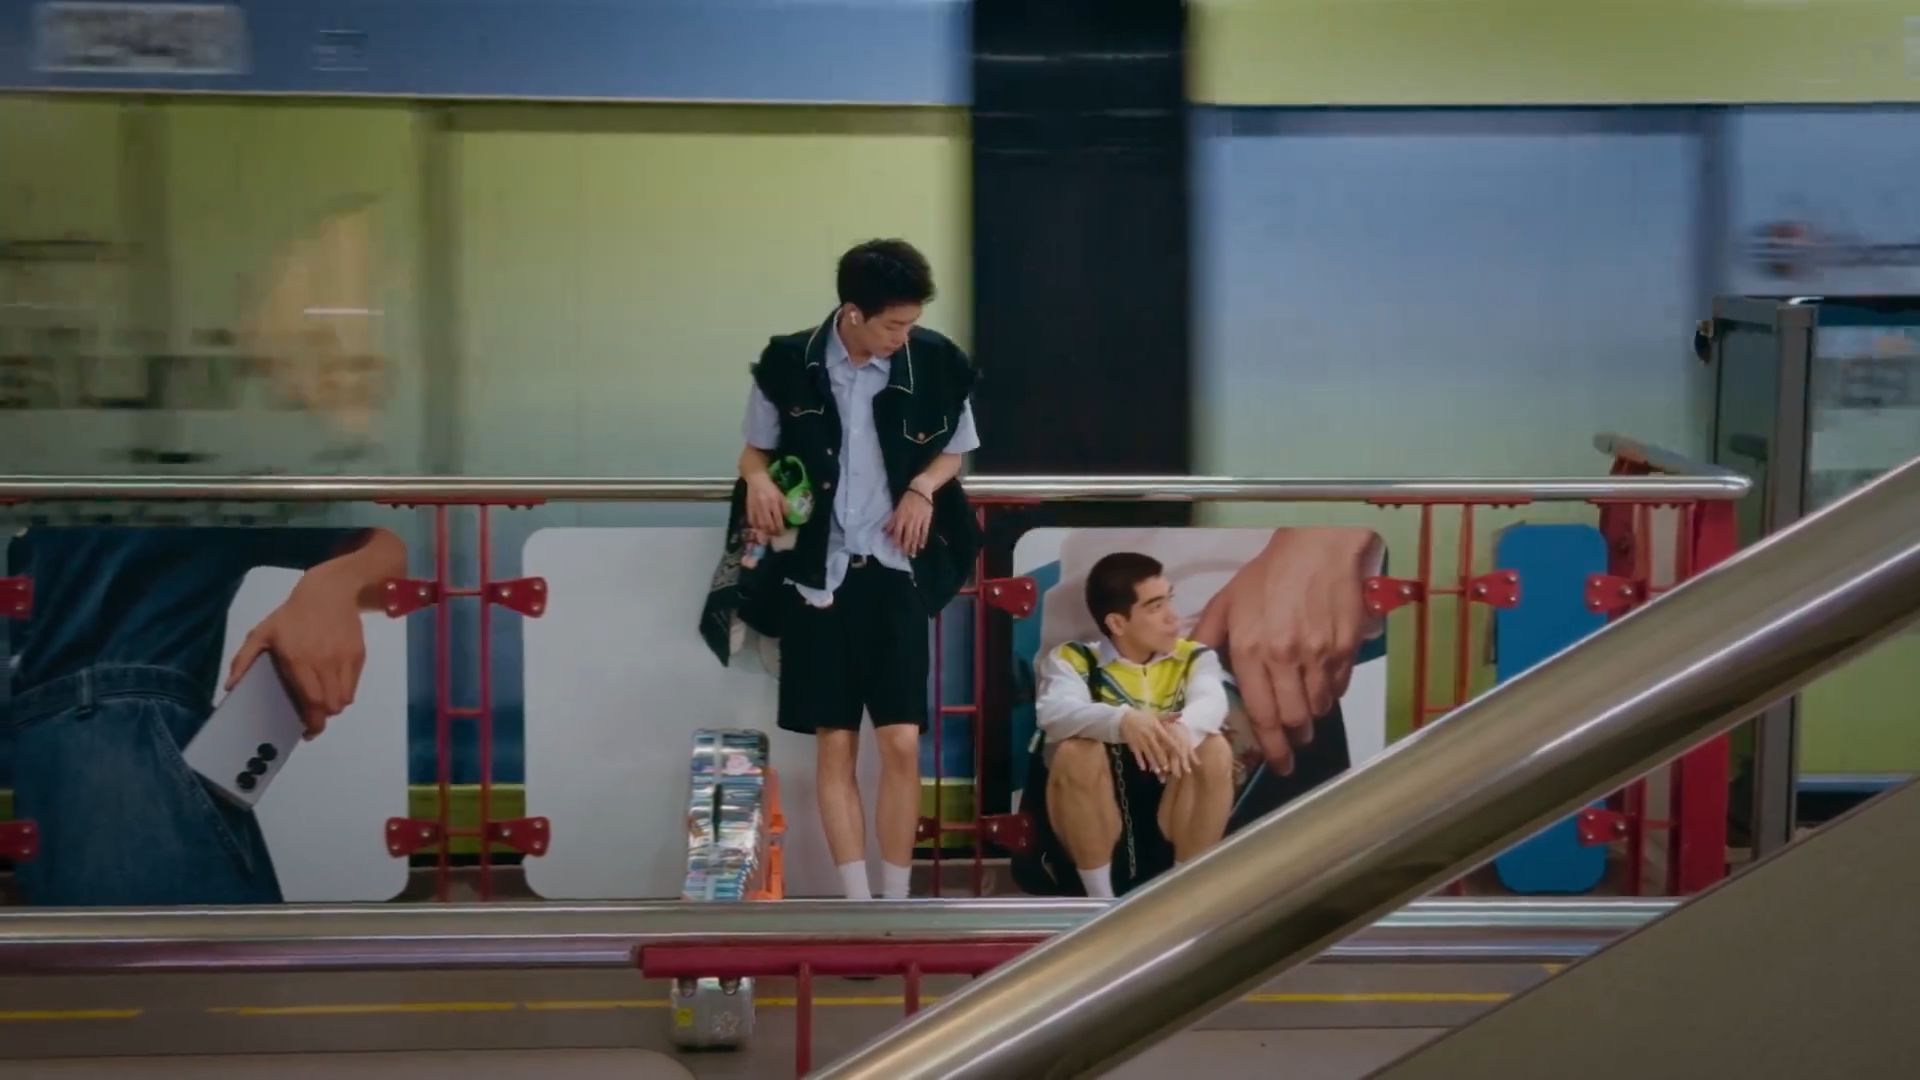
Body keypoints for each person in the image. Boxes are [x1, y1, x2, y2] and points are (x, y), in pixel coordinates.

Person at [720, 238, 980, 901]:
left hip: (894, 572)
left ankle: (897, 897)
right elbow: (754, 452)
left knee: (901, 742)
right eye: (894, 324)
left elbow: (956, 450)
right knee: (834, 743)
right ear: (853, 313)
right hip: (818, 577)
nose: (904, 336)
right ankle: (857, 903)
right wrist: (758, 482)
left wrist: (922, 488)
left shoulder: (937, 362)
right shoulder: (790, 362)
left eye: (912, 322)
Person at [5, 525, 407, 906]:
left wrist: (330, 588)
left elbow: (390, 546)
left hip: (122, 746)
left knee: (158, 953)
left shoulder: (191, 490)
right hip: (67, 763)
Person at [1025, 552, 1235, 899]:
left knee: (1212, 746)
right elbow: (1055, 712)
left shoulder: (1194, 657)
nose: (1173, 617)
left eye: (1170, 600)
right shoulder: (1075, 658)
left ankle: (1184, 896)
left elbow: (1212, 701)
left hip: (1172, 813)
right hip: (1099, 821)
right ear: (1117, 623)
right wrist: (1123, 721)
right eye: (1156, 607)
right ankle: (1100, 903)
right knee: (1077, 751)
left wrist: (1182, 730)